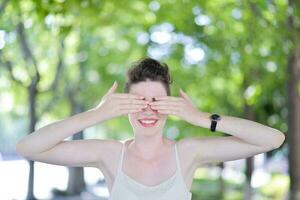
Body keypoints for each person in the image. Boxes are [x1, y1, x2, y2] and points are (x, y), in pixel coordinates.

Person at [16, 57, 285, 200]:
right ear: (124, 105)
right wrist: (95, 115)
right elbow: (27, 148)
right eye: (138, 101)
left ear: (171, 106)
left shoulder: (188, 152)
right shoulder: (110, 154)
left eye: (157, 101)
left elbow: (273, 138)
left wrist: (202, 118)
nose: (148, 110)